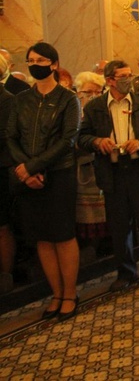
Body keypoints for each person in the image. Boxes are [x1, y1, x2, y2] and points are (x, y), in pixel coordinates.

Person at [78, 60, 139, 291]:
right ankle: (126, 272)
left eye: (130, 74)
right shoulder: (95, 107)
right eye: (123, 76)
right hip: (112, 171)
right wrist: (98, 141)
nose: (129, 79)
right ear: (110, 81)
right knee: (119, 227)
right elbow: (82, 138)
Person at [7, 42, 81, 321]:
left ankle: (71, 293)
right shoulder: (21, 99)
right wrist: (25, 169)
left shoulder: (67, 98)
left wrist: (34, 166)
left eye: (39, 59)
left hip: (58, 173)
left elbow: (68, 138)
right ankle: (56, 293)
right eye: (30, 60)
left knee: (62, 234)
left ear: (53, 64)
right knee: (42, 237)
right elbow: (11, 136)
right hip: (28, 175)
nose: (34, 64)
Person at [72, 71, 108, 257]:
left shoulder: (103, 110)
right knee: (84, 213)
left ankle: (100, 246)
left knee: (101, 211)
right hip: (80, 169)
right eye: (88, 92)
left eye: (97, 92)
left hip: (101, 165)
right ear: (78, 92)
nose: (92, 97)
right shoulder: (74, 110)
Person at [0, 57, 16, 293]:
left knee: (2, 225)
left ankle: (5, 275)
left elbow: (6, 138)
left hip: (1, 169)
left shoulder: (7, 101)